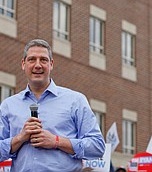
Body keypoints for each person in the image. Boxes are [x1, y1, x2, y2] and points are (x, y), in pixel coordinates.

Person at [0, 39, 106, 171]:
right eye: (32, 59)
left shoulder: (75, 101)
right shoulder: (8, 105)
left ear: (51, 64)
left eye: (43, 60)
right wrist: (19, 138)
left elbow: (97, 147)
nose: (37, 65)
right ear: (23, 64)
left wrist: (56, 141)